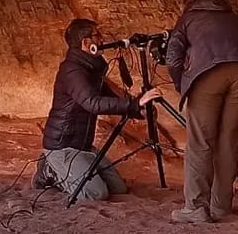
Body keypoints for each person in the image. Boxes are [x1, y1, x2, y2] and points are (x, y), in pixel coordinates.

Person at [165, 0, 238, 225]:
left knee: (200, 142)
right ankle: (221, 206)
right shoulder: (232, 16)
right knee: (228, 141)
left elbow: (172, 58)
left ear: (189, 1)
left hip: (208, 73)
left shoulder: (188, 17)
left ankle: (196, 207)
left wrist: (183, 85)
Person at [37, 18, 161, 202]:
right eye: (97, 35)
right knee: (96, 194)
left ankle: (76, 170)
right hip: (63, 147)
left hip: (83, 146)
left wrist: (138, 110)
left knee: (118, 188)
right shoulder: (73, 71)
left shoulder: (92, 68)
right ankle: (49, 169)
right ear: (86, 43)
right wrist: (134, 104)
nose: (102, 39)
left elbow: (108, 97)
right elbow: (93, 103)